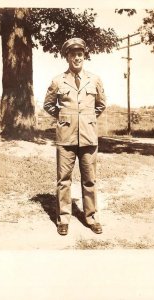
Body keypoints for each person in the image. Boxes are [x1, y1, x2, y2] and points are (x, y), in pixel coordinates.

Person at [44, 37, 106, 235]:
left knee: (90, 179)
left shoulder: (94, 79)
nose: (77, 58)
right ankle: (63, 219)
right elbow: (48, 104)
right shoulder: (57, 80)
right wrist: (65, 118)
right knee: (64, 180)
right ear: (67, 57)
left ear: (83, 56)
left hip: (88, 136)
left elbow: (101, 104)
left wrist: (86, 120)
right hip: (66, 137)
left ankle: (92, 218)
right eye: (73, 55)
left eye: (80, 54)